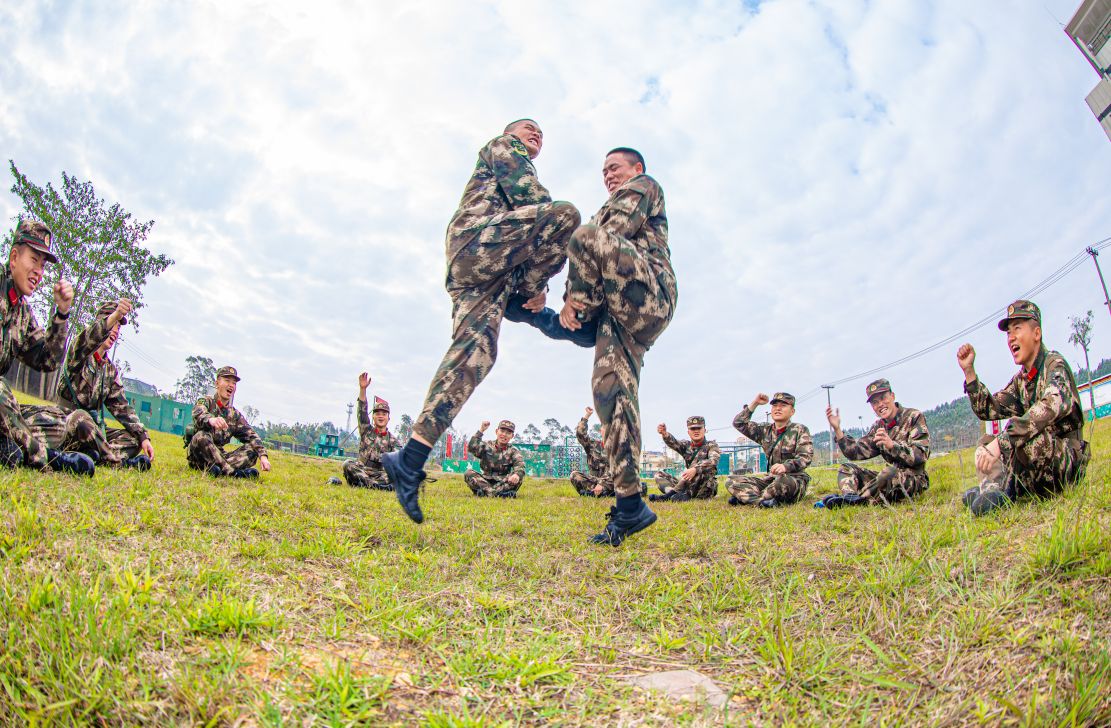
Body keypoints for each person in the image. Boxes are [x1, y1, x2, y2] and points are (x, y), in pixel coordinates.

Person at [384, 119, 582, 523]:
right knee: (565, 215)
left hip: (487, 273)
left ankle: (410, 457)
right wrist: (538, 284)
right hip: (476, 244)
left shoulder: (514, 157)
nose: (536, 135)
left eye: (542, 133)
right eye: (530, 128)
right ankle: (531, 305)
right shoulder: (504, 147)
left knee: (477, 354)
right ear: (511, 132)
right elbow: (535, 201)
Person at [558, 147, 678, 545]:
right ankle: (630, 507)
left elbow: (602, 233)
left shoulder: (645, 187)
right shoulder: (604, 213)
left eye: (614, 168)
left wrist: (573, 299)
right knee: (608, 390)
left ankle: (578, 319)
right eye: (604, 171)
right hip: (619, 311)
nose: (608, 175)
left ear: (636, 169)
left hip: (650, 295)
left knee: (584, 235)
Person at [957, 300, 1090, 515]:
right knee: (985, 443)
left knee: (1027, 439)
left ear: (1036, 333)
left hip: (1065, 463)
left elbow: (1048, 407)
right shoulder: (1021, 381)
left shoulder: (1055, 366)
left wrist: (1002, 442)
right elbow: (988, 409)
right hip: (1038, 463)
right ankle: (993, 489)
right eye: (1008, 333)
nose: (1011, 338)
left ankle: (1005, 488)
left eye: (1017, 329)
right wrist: (970, 373)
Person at [0, 220, 94, 475]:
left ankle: (9, 445)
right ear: (14, 257)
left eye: (43, 265)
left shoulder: (21, 310)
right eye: (34, 259)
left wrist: (61, 314)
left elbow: (48, 360)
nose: (39, 271)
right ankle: (44, 456)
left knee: (56, 421)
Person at [22, 299, 154, 469]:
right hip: (66, 423)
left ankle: (94, 455)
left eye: (119, 328)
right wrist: (114, 317)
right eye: (113, 324)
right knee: (81, 418)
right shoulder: (79, 353)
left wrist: (143, 437)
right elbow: (89, 337)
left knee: (133, 440)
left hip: (92, 431)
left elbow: (122, 408)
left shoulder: (109, 371)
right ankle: (115, 461)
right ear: (102, 323)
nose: (115, 332)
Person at [817, 378, 930, 509]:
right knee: (847, 467)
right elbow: (856, 452)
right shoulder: (878, 426)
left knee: (889, 472)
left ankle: (860, 500)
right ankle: (849, 497)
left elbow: (921, 455)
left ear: (892, 396)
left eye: (883, 398)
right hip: (885, 479)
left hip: (914, 479)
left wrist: (892, 446)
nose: (880, 404)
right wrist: (837, 430)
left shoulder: (914, 417)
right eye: (875, 402)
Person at [725, 392, 813, 507]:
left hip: (792, 478)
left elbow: (805, 457)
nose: (778, 408)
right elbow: (739, 423)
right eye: (775, 405)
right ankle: (761, 501)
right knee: (731, 481)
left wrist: (785, 466)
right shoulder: (764, 430)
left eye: (783, 405)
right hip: (770, 479)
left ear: (792, 412)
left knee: (781, 483)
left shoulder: (800, 430)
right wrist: (755, 403)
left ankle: (747, 498)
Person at [185, 366, 270, 478]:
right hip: (200, 456)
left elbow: (252, 436)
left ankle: (218, 470)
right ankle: (234, 474)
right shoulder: (206, 401)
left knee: (253, 449)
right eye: (227, 381)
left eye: (234, 383)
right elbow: (198, 413)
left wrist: (263, 456)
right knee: (201, 436)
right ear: (217, 383)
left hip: (220, 456)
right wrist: (211, 420)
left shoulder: (234, 415)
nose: (231, 385)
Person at [341, 372, 402, 490]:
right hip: (361, 469)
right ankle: (377, 487)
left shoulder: (393, 441)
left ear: (388, 418)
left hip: (380, 473)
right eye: (377, 414)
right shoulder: (366, 430)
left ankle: (365, 484)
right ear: (373, 417)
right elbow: (362, 411)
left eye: (384, 414)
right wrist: (362, 389)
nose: (380, 416)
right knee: (347, 464)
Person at [651, 417, 721, 502]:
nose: (696, 431)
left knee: (698, 470)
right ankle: (679, 494)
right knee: (659, 474)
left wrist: (695, 469)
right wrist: (665, 434)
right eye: (693, 428)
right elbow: (674, 443)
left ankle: (670, 495)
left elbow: (713, 461)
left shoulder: (712, 445)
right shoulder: (686, 445)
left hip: (704, 486)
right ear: (688, 432)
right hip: (687, 483)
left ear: (705, 430)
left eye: (699, 428)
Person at [464, 419, 525, 497]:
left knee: (518, 478)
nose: (504, 434)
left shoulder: (513, 450)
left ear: (512, 436)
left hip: (503, 481)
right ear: (496, 431)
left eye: (508, 433)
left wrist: (516, 475)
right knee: (468, 473)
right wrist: (481, 430)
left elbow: (520, 465)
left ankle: (485, 493)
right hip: (485, 480)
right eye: (502, 431)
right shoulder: (486, 445)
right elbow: (471, 448)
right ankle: (497, 494)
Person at [570, 405, 613, 497]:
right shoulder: (592, 446)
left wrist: (602, 484)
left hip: (610, 482)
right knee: (575, 475)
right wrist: (587, 416)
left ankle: (599, 493)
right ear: (601, 431)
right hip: (595, 481)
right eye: (604, 428)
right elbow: (580, 434)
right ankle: (597, 493)